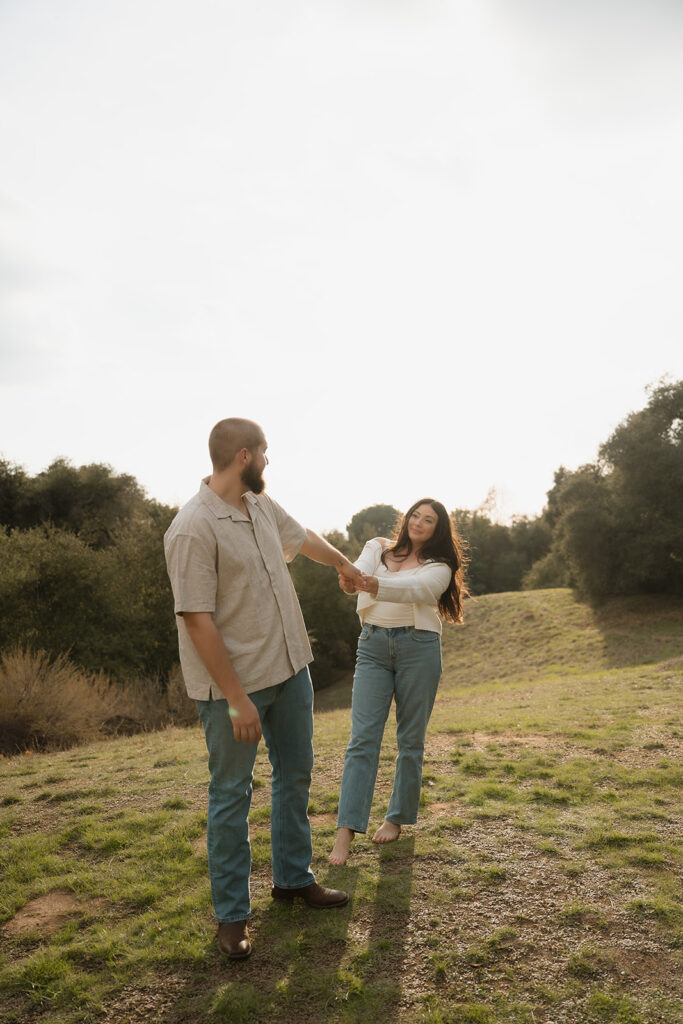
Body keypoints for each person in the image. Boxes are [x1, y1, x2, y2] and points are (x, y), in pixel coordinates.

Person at [164, 417, 361, 960]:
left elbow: (303, 538)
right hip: (235, 690)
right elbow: (196, 619)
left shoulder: (259, 507)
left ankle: (293, 879)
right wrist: (235, 697)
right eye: (266, 453)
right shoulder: (191, 527)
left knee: (295, 778)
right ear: (244, 456)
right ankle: (232, 917)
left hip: (291, 671)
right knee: (231, 797)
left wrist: (343, 564)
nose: (270, 462)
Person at [328, 499, 467, 866]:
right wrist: (350, 579)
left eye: (429, 520)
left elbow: (418, 591)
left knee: (410, 739)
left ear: (438, 529)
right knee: (362, 739)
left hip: (418, 648)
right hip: (373, 646)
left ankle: (396, 817)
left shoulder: (440, 567)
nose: (419, 523)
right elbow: (358, 571)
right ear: (405, 519)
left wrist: (374, 585)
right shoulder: (377, 547)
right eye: (415, 516)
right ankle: (345, 834)